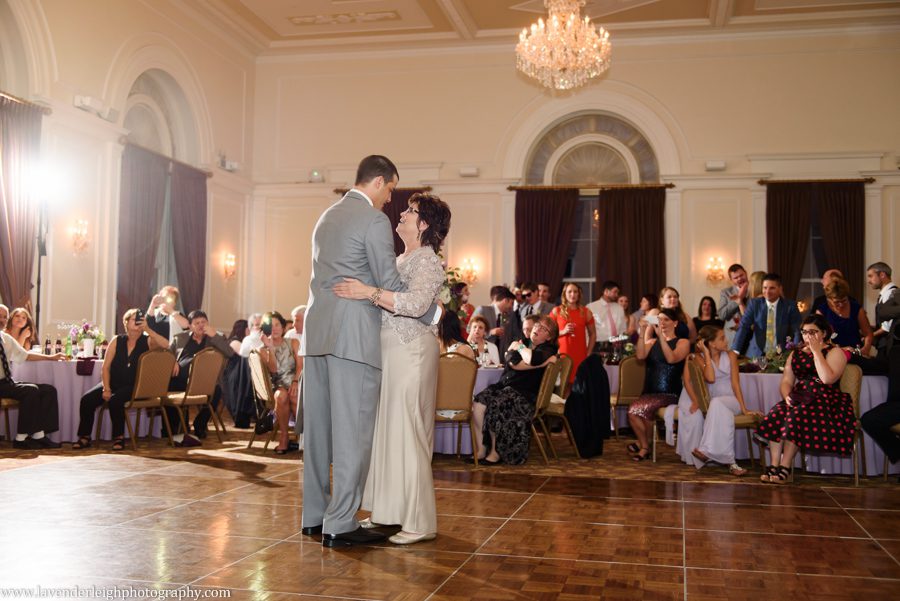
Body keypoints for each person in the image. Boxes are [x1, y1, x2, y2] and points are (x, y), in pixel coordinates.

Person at [300, 155, 438, 548]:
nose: (390, 200)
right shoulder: (373, 220)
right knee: (352, 433)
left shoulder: (326, 215)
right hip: (353, 338)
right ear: (379, 182)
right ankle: (340, 521)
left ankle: (313, 514)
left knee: (318, 433)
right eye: (391, 189)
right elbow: (389, 279)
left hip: (318, 333)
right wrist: (432, 309)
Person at [333, 192, 450, 545]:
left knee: (409, 432)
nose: (402, 213)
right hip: (390, 352)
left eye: (411, 211)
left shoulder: (428, 261)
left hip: (412, 352)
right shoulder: (402, 258)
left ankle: (419, 521)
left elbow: (415, 305)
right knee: (388, 432)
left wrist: (368, 292)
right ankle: (387, 514)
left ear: (425, 223)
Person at [755, 314, 855, 484]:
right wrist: (787, 396)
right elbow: (786, 380)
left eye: (813, 332)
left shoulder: (835, 351)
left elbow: (827, 379)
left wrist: (816, 351)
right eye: (804, 332)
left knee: (796, 417)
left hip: (826, 398)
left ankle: (785, 468)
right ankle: (774, 465)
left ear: (823, 333)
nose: (808, 336)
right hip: (800, 395)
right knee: (776, 414)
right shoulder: (795, 354)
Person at [72, 308, 169, 450]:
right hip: (113, 383)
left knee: (115, 400)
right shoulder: (117, 340)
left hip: (134, 386)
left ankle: (119, 438)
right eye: (134, 319)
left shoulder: (148, 340)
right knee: (87, 400)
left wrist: (148, 329)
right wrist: (106, 388)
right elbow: (105, 367)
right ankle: (85, 436)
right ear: (126, 322)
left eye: (140, 319)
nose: (137, 321)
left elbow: (166, 344)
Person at [471, 314, 559, 465]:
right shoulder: (523, 342)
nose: (537, 328)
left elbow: (530, 359)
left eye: (543, 329)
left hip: (525, 394)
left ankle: (495, 452)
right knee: (478, 403)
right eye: (538, 325)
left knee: (496, 403)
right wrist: (538, 363)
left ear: (549, 337)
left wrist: (520, 349)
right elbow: (511, 360)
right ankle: (481, 449)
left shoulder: (548, 349)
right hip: (504, 386)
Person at [677, 324, 760, 476]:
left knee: (717, 404)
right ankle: (732, 463)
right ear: (712, 343)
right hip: (716, 405)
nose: (726, 341)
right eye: (722, 338)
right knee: (721, 412)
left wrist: (743, 408)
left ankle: (706, 450)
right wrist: (707, 355)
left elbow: (735, 384)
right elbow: (711, 378)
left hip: (731, 401)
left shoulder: (731, 356)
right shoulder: (699, 359)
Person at [627, 308, 690, 461]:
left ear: (675, 323)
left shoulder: (683, 342)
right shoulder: (652, 342)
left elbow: (671, 359)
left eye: (666, 319)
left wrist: (662, 337)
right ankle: (645, 445)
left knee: (641, 411)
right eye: (659, 319)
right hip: (649, 390)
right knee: (633, 413)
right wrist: (642, 331)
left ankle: (644, 448)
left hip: (670, 392)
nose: (662, 322)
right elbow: (640, 356)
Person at [166, 310, 234, 444]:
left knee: (217, 391)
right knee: (168, 387)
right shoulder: (180, 338)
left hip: (205, 381)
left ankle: (200, 424)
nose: (201, 325)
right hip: (180, 379)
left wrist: (214, 336)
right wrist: (173, 360)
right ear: (190, 326)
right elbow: (168, 353)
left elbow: (230, 353)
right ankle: (178, 428)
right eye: (197, 323)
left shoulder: (216, 337)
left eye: (204, 322)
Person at [0, 326, 65, 449]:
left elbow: (25, 355)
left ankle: (39, 435)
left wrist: (51, 357)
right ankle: (20, 439)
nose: (1, 319)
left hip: (7, 382)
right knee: (30, 390)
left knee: (48, 390)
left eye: (4, 317)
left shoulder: (5, 338)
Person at [257, 311, 301, 454]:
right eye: (271, 326)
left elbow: (300, 366)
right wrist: (270, 347)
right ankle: (284, 436)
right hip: (276, 385)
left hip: (295, 381)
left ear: (283, 327)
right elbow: (274, 370)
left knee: (294, 396)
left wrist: (295, 382)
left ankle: (303, 439)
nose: (275, 328)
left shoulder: (293, 342)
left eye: (277, 325)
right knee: (281, 396)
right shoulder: (262, 350)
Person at [732, 273, 801, 358]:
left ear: (780, 289)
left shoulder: (790, 306)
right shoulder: (754, 304)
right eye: (765, 288)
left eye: (772, 288)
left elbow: (796, 331)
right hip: (755, 355)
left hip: (781, 356)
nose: (767, 292)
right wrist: (735, 350)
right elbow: (743, 327)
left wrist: (796, 353)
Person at [550, 282, 596, 384]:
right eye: (569, 291)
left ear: (579, 294)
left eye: (575, 292)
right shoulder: (556, 311)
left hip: (581, 354)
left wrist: (588, 353)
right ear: (564, 294)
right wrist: (563, 332)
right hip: (562, 354)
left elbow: (593, 334)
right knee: (563, 385)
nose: (573, 294)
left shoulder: (585, 311)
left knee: (579, 385)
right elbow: (549, 332)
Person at [817, 278, 873, 356]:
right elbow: (819, 338)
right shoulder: (822, 311)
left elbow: (868, 334)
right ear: (828, 299)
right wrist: (841, 349)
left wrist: (865, 349)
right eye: (836, 302)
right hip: (832, 353)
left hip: (855, 353)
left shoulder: (856, 309)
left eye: (844, 300)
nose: (841, 305)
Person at [473, 286, 521, 356]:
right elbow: (470, 330)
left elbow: (516, 334)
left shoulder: (511, 315)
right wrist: (490, 332)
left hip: (503, 355)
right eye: (511, 303)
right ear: (505, 300)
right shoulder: (482, 310)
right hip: (484, 353)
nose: (511, 307)